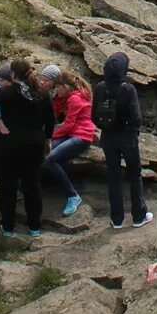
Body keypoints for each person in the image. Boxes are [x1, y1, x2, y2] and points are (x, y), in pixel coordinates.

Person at [0, 58, 55, 237]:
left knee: (8, 186)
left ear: (12, 75)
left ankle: (8, 227)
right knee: (32, 186)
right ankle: (34, 226)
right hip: (35, 143)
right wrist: (48, 139)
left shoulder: (7, 92)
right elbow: (50, 119)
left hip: (9, 142)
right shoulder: (43, 93)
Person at [95, 52, 150, 228]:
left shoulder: (100, 88)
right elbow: (136, 117)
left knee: (114, 177)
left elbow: (94, 117)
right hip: (127, 138)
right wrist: (131, 128)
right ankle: (138, 216)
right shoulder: (128, 89)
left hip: (108, 138)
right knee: (135, 175)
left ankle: (116, 219)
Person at [41, 66, 96, 218]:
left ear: (65, 86)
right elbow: (56, 113)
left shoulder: (75, 98)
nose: (56, 90)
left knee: (50, 159)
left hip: (80, 137)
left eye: (58, 87)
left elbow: (69, 125)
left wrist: (50, 136)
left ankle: (73, 196)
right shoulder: (68, 96)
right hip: (71, 134)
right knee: (43, 151)